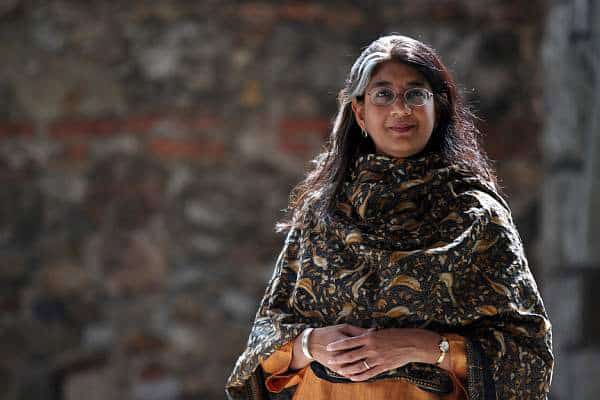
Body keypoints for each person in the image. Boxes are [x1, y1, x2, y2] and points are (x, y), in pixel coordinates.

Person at [226, 34, 554, 400]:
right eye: (383, 94)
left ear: (438, 108)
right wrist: (309, 345)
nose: (400, 109)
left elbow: (529, 358)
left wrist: (427, 347)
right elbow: (263, 345)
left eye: (415, 94)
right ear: (360, 113)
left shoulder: (477, 217)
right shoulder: (322, 213)